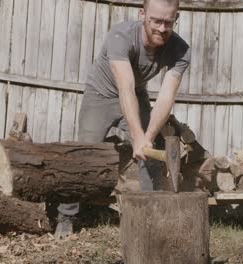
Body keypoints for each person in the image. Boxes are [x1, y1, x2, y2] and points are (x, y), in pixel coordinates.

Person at [54, 0, 191, 238]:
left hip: (137, 93)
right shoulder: (120, 36)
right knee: (85, 154)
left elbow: (166, 97)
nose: (161, 28)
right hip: (101, 95)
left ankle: (150, 218)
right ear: (142, 14)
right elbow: (124, 87)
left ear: (176, 18)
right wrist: (137, 137)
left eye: (168, 22)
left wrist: (146, 138)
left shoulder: (181, 49)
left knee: (150, 154)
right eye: (155, 20)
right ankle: (66, 216)